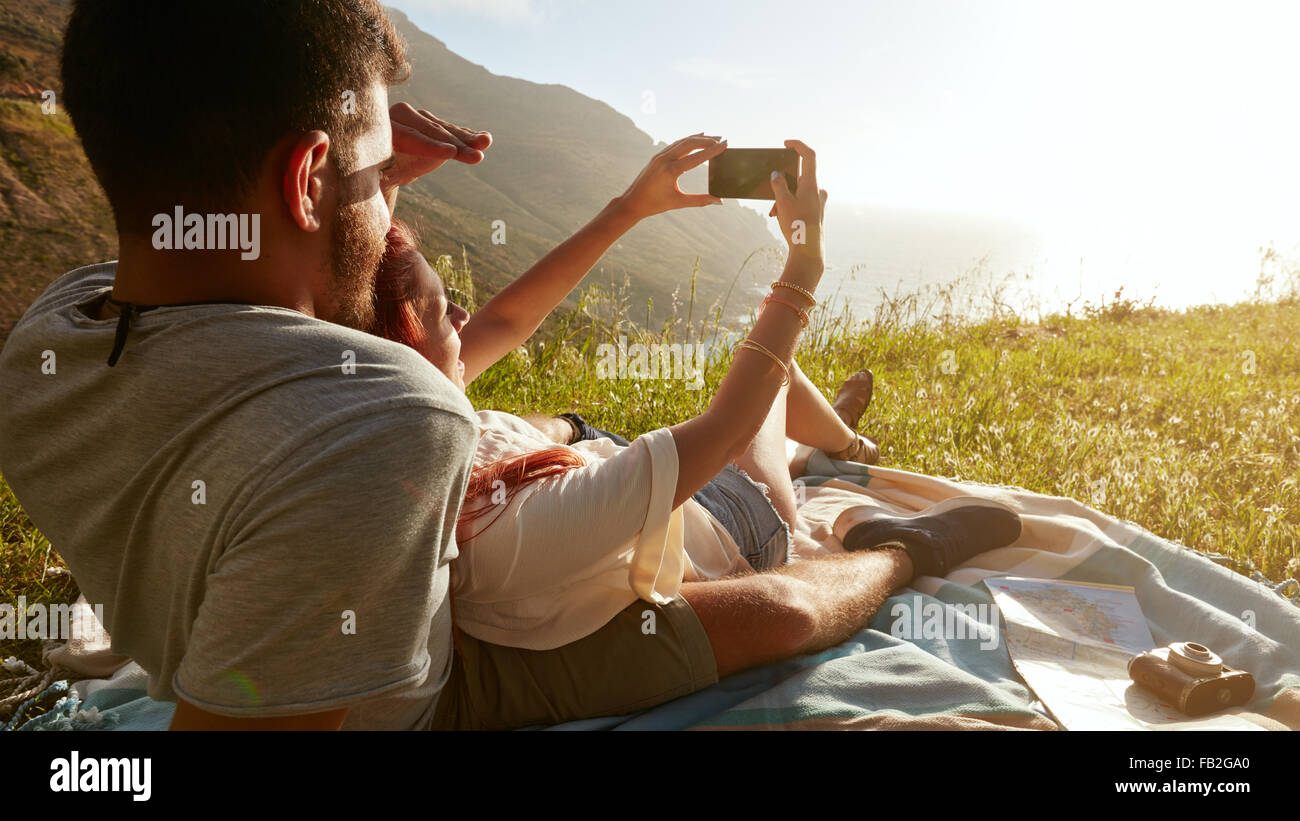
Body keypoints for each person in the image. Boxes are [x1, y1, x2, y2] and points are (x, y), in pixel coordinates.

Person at [366, 137, 1024, 730]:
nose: (463, 311)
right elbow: (724, 425)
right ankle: (848, 448)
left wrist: (631, 207)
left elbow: (507, 321)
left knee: (769, 393)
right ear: (404, 352)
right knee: (772, 378)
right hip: (731, 517)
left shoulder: (409, 423)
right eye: (439, 305)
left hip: (617, 474)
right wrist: (804, 264)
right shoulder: (516, 533)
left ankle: (829, 442)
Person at [0, 0, 500, 730]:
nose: (389, 222)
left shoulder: (44, 345)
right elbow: (331, 380)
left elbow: (268, 322)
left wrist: (361, 177)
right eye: (377, 179)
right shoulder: (391, 424)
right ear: (305, 177)